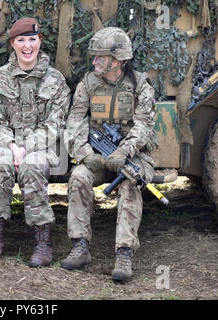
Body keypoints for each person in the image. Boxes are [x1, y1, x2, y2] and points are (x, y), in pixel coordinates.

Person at [62, 27, 157, 282]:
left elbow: (144, 126)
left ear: (118, 61)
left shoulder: (140, 85)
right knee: (79, 177)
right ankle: (80, 246)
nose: (94, 62)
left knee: (130, 183)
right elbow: (75, 120)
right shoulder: (88, 84)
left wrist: (124, 151)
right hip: (97, 155)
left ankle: (124, 252)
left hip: (133, 156)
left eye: (100, 58)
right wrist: (84, 153)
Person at [0, 17, 70, 267]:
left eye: (32, 39)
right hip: (6, 144)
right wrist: (10, 145)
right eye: (21, 40)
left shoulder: (56, 80)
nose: (27, 46)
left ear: (40, 41)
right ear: (13, 44)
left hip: (43, 147)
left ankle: (43, 241)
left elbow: (56, 122)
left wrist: (27, 146)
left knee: (31, 165)